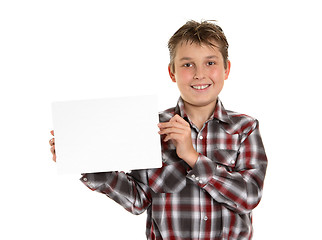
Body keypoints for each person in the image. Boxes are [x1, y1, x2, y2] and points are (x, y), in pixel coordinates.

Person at [49, 20, 267, 240]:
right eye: (187, 64)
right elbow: (137, 199)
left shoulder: (245, 128)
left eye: (210, 63)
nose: (200, 74)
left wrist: (192, 157)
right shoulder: (152, 127)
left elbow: (249, 196)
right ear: (172, 72)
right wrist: (84, 160)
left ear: (226, 69)